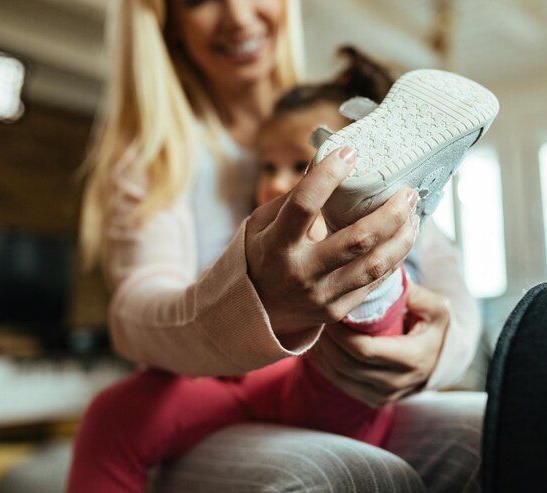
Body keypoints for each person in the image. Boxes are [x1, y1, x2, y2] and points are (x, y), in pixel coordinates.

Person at [70, 1, 484, 491]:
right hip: (218, 390)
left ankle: (373, 304)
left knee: (489, 430)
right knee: (351, 474)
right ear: (167, 19)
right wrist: (259, 304)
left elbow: (442, 273)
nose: (239, 18)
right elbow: (135, 313)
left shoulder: (343, 129)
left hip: (343, 379)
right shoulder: (156, 156)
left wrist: (439, 354)